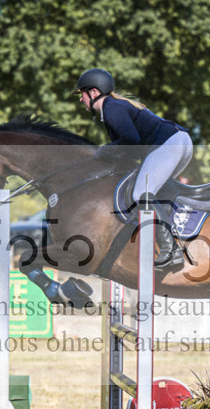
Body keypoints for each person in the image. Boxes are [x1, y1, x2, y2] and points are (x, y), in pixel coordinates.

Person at [73, 68, 193, 268]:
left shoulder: (111, 107)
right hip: (180, 142)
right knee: (153, 192)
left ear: (94, 92)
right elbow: (131, 149)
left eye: (82, 93)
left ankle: (170, 249)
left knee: (141, 194)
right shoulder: (115, 107)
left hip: (169, 144)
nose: (80, 99)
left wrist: (104, 151)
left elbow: (130, 140)